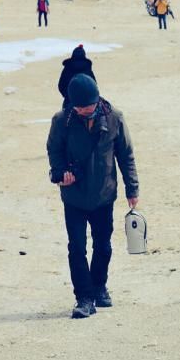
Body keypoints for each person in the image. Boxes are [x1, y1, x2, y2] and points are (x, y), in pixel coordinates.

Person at [46, 74, 139, 319]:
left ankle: (99, 287)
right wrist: (60, 172)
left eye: (89, 106)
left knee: (104, 246)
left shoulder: (114, 118)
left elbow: (126, 155)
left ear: (97, 99)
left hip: (103, 195)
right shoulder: (61, 121)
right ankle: (84, 298)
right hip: (74, 197)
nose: (86, 111)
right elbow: (54, 150)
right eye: (80, 108)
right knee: (76, 248)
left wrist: (132, 189)